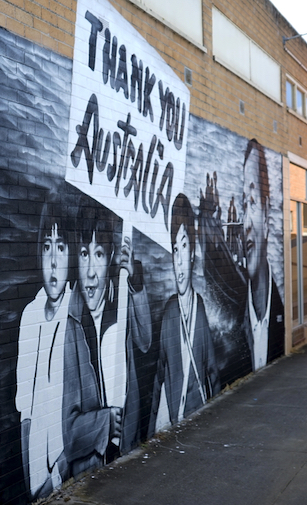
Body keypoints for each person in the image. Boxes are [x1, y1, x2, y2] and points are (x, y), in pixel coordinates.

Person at [63, 199, 152, 475]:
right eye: (84, 254)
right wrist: (104, 422)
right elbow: (67, 434)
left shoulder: (120, 300)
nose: (90, 272)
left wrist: (135, 284)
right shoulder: (70, 323)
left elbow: (145, 341)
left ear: (111, 255)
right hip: (91, 473)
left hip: (130, 450)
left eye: (99, 254)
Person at [15, 192, 72, 499]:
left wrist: (57, 478)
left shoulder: (77, 314)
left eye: (60, 247)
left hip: (66, 475)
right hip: (35, 476)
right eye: (47, 247)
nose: (52, 260)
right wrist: (30, 482)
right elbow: (24, 407)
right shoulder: (30, 315)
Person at [151, 193, 218, 433]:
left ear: (192, 253)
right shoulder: (169, 311)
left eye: (184, 247)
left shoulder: (199, 306)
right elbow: (160, 373)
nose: (178, 260)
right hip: (171, 420)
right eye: (174, 249)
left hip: (196, 418)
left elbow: (211, 369)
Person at [241, 139, 285, 370]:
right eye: (243, 205)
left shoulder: (284, 314)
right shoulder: (234, 324)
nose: (246, 222)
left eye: (252, 202)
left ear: (267, 215)